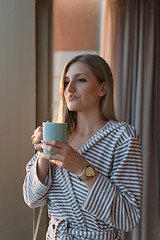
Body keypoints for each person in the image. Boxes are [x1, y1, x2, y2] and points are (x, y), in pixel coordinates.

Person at [23, 54, 143, 240]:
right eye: (66, 82)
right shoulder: (60, 135)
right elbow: (31, 199)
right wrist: (43, 156)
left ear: (102, 88)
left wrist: (82, 168)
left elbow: (127, 217)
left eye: (81, 80)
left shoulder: (122, 136)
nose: (69, 88)